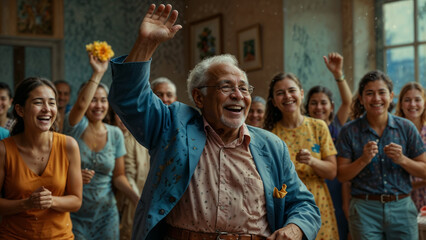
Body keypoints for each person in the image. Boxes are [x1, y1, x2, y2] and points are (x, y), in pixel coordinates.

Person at [108, 4, 321, 240]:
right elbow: (129, 99)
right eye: (226, 87)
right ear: (199, 97)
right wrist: (145, 44)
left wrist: (294, 229)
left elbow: (304, 205)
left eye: (243, 88)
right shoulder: (173, 126)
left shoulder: (271, 146)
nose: (238, 95)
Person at [336, 71, 426, 239]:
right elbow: (341, 175)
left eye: (382, 92)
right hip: (364, 209)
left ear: (391, 96)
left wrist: (402, 160)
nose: (376, 98)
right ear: (361, 99)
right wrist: (363, 160)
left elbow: (424, 170)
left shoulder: (406, 127)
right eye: (369, 93)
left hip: (402, 208)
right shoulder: (349, 131)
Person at [63, 54, 139, 239]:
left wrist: (137, 197)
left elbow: (119, 176)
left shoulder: (115, 134)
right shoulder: (73, 127)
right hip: (75, 213)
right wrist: (98, 73)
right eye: (93, 100)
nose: (98, 105)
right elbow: (80, 105)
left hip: (107, 214)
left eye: (103, 100)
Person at [0, 77, 82, 239]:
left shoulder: (69, 145)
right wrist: (26, 203)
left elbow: (76, 201)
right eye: (38, 102)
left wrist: (51, 201)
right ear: (20, 110)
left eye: (52, 103)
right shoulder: (4, 149)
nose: (47, 109)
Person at [264, 72, 339, 240]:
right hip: (287, 207)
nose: (287, 96)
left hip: (318, 203)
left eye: (292, 90)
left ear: (301, 93)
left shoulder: (318, 126)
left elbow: (332, 171)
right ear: (274, 101)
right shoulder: (269, 135)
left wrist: (312, 161)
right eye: (280, 93)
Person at [305, 52, 352, 240]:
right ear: (306, 106)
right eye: (313, 103)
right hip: (311, 190)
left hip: (336, 190)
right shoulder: (303, 129)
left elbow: (348, 101)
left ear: (331, 106)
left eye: (323, 103)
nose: (318, 108)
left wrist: (338, 74)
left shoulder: (337, 126)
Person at [110, 110, 150, 240]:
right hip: (122, 200)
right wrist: (137, 199)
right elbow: (125, 174)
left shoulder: (139, 136)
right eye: (118, 114)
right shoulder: (111, 136)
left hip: (140, 197)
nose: (122, 117)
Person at [395, 82, 426, 211]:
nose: (412, 104)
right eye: (407, 100)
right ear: (401, 104)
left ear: (424, 103)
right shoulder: (393, 134)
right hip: (402, 201)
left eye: (417, 100)